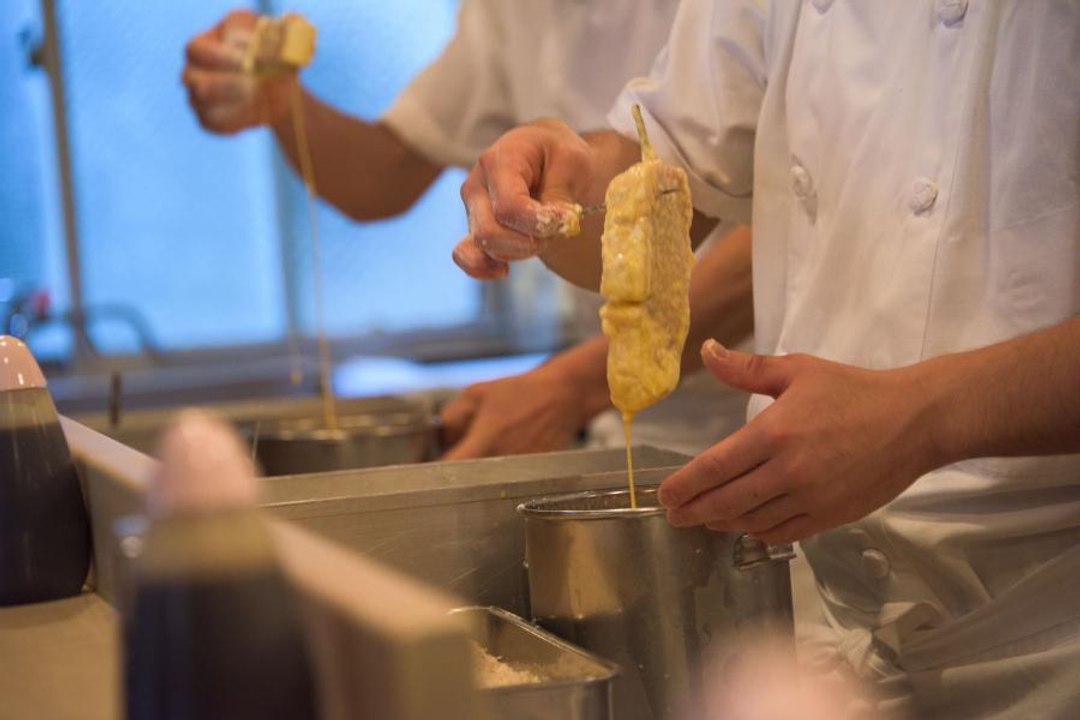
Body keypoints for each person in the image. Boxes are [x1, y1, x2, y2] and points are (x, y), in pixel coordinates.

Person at [454, 0, 1080, 717]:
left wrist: (927, 417)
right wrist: (554, 177)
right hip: (822, 596)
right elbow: (656, 169)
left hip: (1053, 623)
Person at [182, 0, 754, 461]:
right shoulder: (513, 12)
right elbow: (385, 173)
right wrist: (286, 105)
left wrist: (573, 385)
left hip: (764, 415)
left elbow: (776, 231)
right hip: (632, 426)